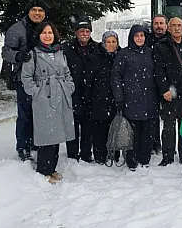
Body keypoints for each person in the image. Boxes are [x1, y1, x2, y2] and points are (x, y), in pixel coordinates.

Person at [21, 22, 76, 184]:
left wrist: (69, 87)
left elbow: (67, 73)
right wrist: (37, 92)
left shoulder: (59, 52)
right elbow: (26, 77)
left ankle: (52, 168)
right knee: (46, 134)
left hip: (60, 94)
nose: (47, 36)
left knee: (57, 134)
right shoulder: (33, 54)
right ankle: (43, 170)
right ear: (39, 35)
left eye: (50, 33)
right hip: (44, 96)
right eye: (44, 33)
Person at [2, 0, 48, 161]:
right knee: (25, 114)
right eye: (34, 10)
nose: (37, 13)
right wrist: (18, 56)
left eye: (40, 10)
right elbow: (6, 52)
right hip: (24, 78)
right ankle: (23, 146)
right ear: (28, 12)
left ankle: (37, 142)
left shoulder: (47, 29)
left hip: (44, 78)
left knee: (41, 113)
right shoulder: (17, 29)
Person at [111, 24, 158, 170]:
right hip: (130, 99)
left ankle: (144, 159)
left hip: (149, 99)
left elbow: (159, 74)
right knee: (132, 133)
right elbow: (116, 77)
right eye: (136, 36)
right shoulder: (123, 54)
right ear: (132, 37)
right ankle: (131, 160)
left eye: (142, 35)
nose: (139, 38)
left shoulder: (151, 53)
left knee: (147, 132)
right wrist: (119, 97)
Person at [153, 17, 182, 166]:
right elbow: (159, 70)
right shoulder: (161, 46)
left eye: (179, 25)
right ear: (168, 29)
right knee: (168, 127)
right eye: (173, 26)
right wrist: (164, 89)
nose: (176, 28)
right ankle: (168, 156)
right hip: (169, 93)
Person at [64, 16, 98, 162]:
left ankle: (86, 153)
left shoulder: (97, 48)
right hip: (72, 91)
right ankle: (72, 154)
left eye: (87, 31)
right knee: (72, 125)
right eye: (81, 31)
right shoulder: (66, 48)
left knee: (88, 126)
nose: (84, 34)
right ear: (76, 32)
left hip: (91, 93)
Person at [85, 31, 120, 164]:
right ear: (103, 43)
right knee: (99, 130)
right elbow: (88, 81)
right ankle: (100, 156)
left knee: (114, 128)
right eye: (108, 42)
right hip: (98, 100)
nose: (111, 45)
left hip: (115, 99)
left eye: (114, 42)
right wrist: (88, 99)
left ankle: (114, 154)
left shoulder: (121, 57)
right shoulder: (95, 58)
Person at [148, 14, 168, 155]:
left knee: (168, 117)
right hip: (150, 83)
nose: (159, 26)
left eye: (161, 23)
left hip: (168, 83)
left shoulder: (171, 40)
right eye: (156, 23)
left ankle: (168, 145)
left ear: (166, 25)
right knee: (152, 116)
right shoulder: (147, 40)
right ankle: (154, 143)